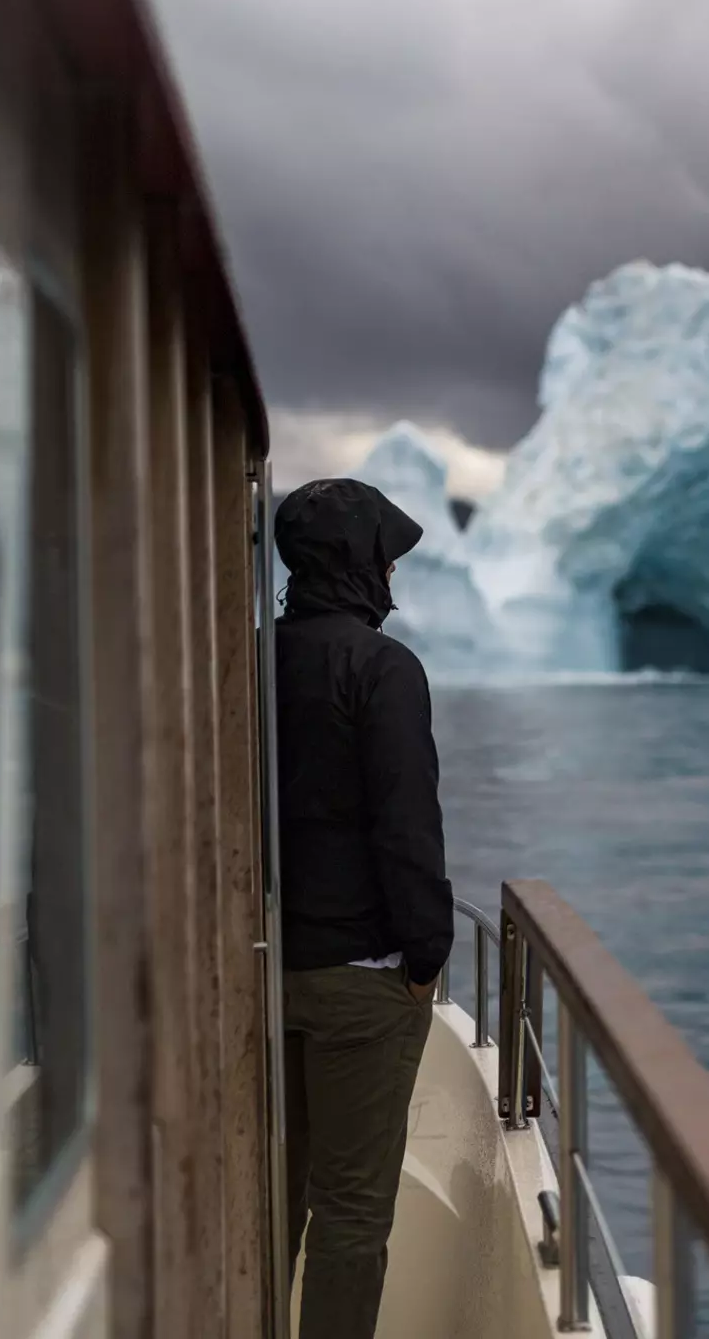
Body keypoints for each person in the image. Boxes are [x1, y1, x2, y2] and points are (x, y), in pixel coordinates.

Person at [272, 477, 458, 1339]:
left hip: (261, 969)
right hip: (360, 980)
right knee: (349, 1213)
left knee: (268, 1192)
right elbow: (405, 823)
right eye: (385, 555)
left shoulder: (248, 657)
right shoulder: (382, 667)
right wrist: (425, 955)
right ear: (359, 564)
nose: (392, 572)